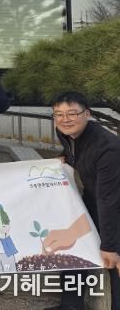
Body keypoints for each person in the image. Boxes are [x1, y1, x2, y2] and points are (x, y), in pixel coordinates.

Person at [45, 91, 120, 310]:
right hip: (93, 198)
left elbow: (109, 199)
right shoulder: (66, 133)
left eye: (72, 113)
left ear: (87, 114)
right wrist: (65, 157)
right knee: (74, 248)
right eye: (58, 114)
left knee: (114, 262)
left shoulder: (108, 147)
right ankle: (71, 305)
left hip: (114, 204)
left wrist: (109, 246)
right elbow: (73, 150)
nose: (65, 119)